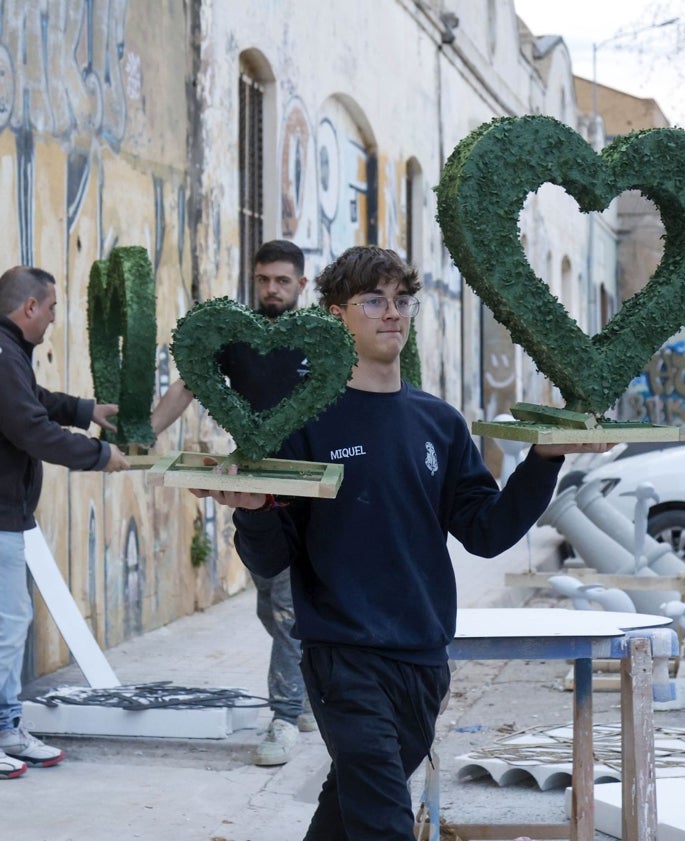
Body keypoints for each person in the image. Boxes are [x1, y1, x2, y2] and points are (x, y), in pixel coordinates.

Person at [192, 245, 613, 841]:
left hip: (423, 658)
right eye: (373, 300)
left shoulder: (438, 423)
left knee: (352, 808)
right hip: (342, 655)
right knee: (386, 821)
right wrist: (254, 513)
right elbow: (270, 557)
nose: (392, 313)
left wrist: (543, 460)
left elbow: (487, 533)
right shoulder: (302, 424)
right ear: (337, 316)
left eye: (401, 300)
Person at [151, 239, 317, 766]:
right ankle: (308, 685)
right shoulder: (235, 336)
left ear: (301, 286)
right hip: (251, 494)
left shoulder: (322, 340)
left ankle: (285, 717)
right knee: (271, 607)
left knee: (289, 610)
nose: (272, 289)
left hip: (308, 494)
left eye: (282, 281)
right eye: (264, 279)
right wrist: (144, 432)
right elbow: (189, 385)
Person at [0, 265, 130, 781]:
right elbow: (31, 427)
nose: (55, 319)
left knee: (11, 628)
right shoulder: (2, 354)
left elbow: (34, 400)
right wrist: (99, 455)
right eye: (51, 308)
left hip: (9, 516)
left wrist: (85, 409)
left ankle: (8, 727)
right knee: (8, 631)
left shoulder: (10, 354)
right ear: (29, 308)